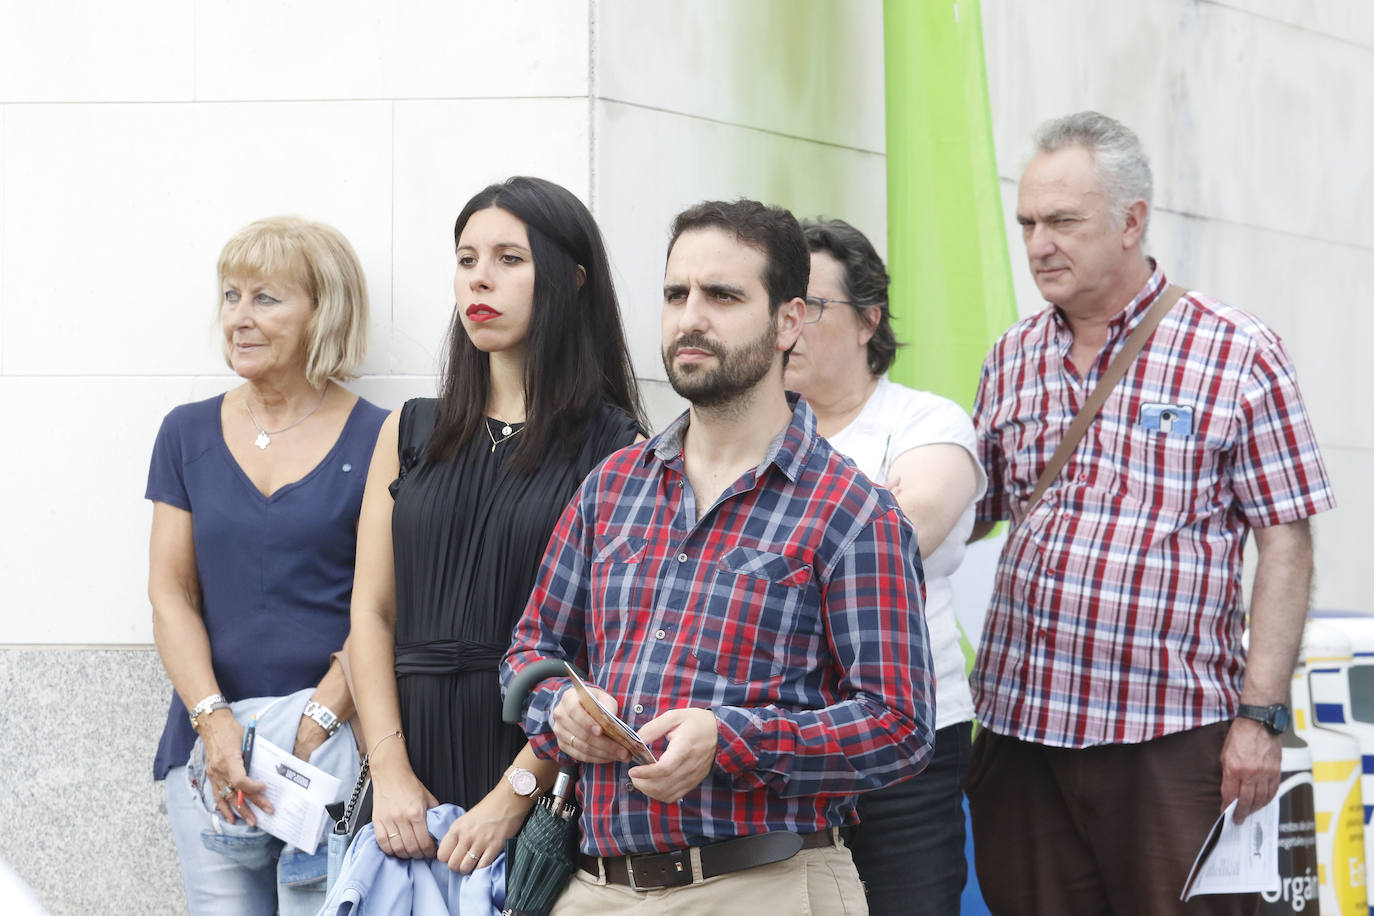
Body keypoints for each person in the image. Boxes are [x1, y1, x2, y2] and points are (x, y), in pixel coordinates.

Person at [503, 199, 935, 915]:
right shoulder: (611, 488)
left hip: (761, 885)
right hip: (593, 887)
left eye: (723, 296)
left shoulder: (853, 512)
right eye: (676, 295)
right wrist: (563, 710)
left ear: (789, 321)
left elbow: (900, 728)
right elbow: (529, 652)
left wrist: (732, 739)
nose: (689, 318)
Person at [965, 111, 1336, 915]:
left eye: (1063, 220)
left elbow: (1286, 542)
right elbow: (967, 512)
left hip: (1169, 739)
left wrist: (1261, 718)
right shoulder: (1011, 355)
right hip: (1022, 733)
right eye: (1027, 221)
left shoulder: (1236, 352)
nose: (1037, 244)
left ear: (1132, 221)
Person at [348, 176, 644, 873]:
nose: (481, 278)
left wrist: (515, 792)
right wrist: (388, 771)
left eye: (510, 259)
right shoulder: (411, 429)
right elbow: (370, 610)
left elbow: (607, 651)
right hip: (404, 754)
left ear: (571, 281)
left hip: (529, 751)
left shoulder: (616, 448)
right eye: (466, 258)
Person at [146, 216, 387, 915]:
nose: (239, 319)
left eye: (266, 298)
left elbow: (389, 606)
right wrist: (215, 724)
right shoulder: (185, 431)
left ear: (324, 312)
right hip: (210, 755)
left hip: (335, 751)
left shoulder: (382, 435)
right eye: (230, 296)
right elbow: (170, 594)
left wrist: (319, 721)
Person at [786, 217, 984, 914]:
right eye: (778, 301)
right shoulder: (747, 434)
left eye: (809, 305)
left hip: (904, 749)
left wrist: (763, 553)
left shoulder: (927, 422)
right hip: (773, 742)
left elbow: (900, 538)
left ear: (869, 319)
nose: (788, 323)